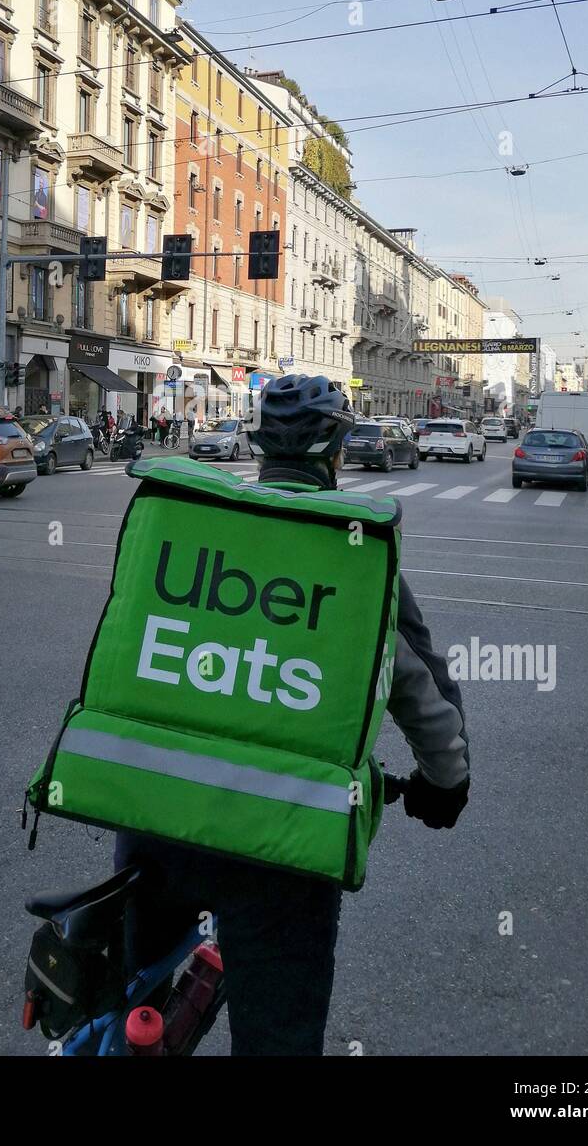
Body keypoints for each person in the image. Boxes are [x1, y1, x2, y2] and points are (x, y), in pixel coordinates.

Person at [110, 374, 470, 1056]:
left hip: (155, 815)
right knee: (277, 1037)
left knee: (133, 1007)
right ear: (335, 451)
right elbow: (420, 692)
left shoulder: (194, 523)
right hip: (280, 842)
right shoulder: (354, 554)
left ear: (256, 447)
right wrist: (444, 785)